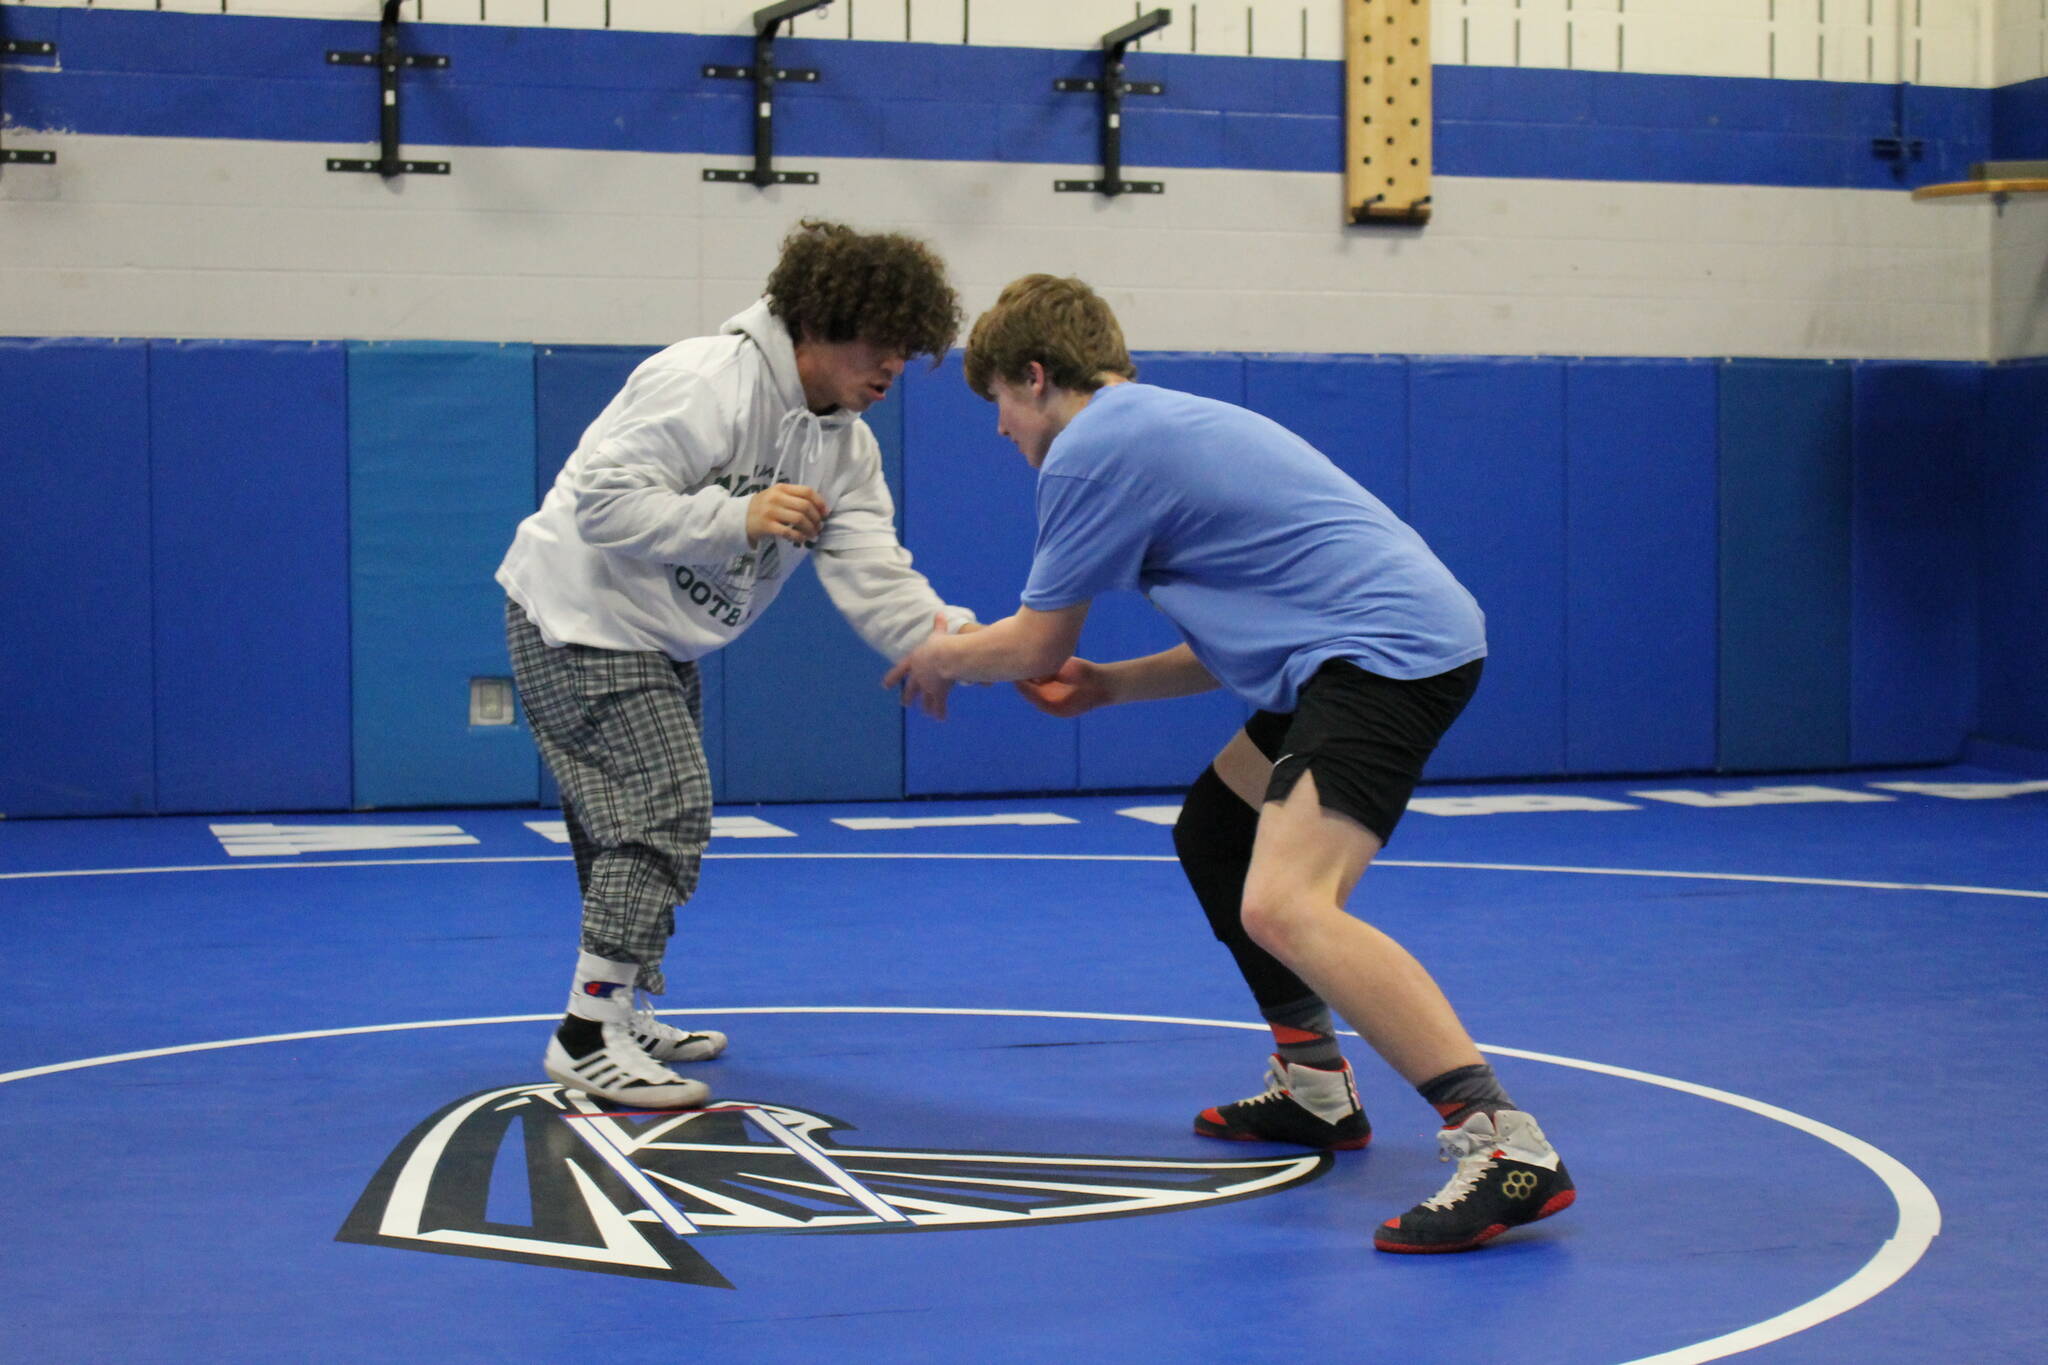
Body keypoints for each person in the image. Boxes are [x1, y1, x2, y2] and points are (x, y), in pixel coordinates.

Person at [884, 274, 1575, 1254]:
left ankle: (1505, 1145)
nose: (998, 429)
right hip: (1349, 653)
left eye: (996, 399)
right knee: (1215, 830)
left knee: (1286, 905)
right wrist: (1110, 687)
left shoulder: (1091, 448)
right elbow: (1241, 632)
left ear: (1034, 378)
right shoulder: (1158, 429)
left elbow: (1035, 646)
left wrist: (941, 651)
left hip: (1379, 659)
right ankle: (1314, 1090)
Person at [499, 220, 977, 1111]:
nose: (893, 370)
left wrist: (957, 642)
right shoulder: (706, 380)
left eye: (908, 354)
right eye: (882, 347)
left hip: (656, 636)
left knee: (624, 830)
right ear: (822, 322)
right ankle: (586, 1031)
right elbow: (602, 500)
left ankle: (622, 1008)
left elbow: (874, 570)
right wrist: (738, 517)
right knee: (665, 804)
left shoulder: (847, 446)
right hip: (577, 616)